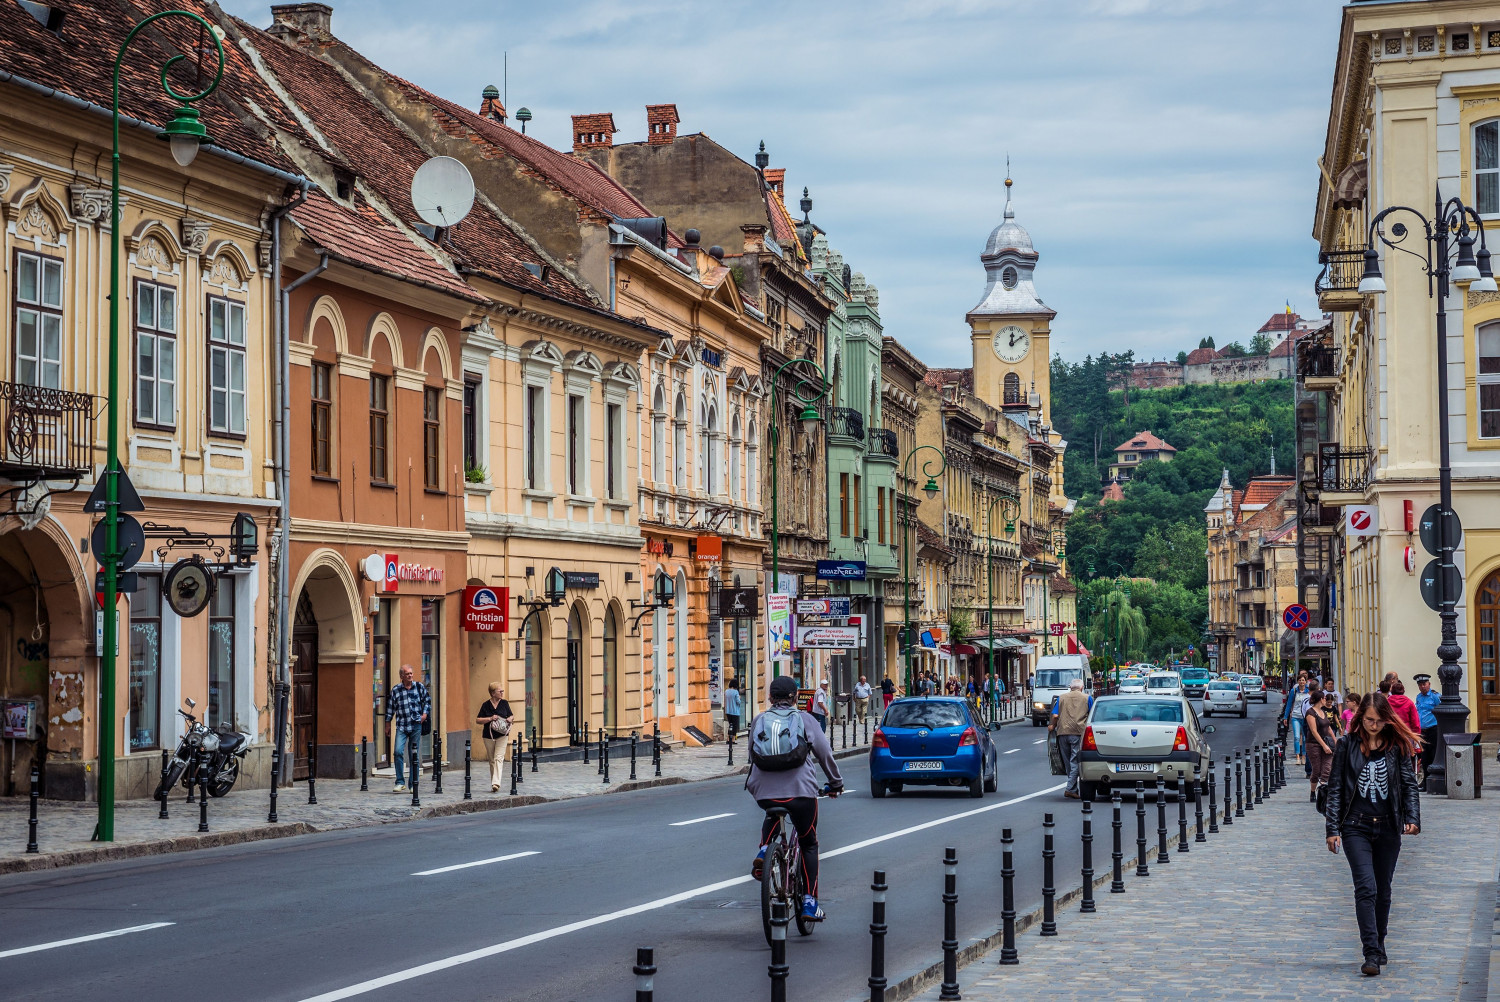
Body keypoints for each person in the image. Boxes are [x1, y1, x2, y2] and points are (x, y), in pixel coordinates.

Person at [1325, 691, 1421, 977]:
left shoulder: (1398, 746)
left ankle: (1379, 941)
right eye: (1368, 720)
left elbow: (1408, 785)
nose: (1373, 725)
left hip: (1389, 826)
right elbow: (1336, 789)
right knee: (1366, 887)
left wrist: (1413, 818)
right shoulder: (1347, 745)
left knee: (1383, 889)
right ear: (1360, 718)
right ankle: (1370, 952)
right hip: (1356, 825)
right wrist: (1332, 829)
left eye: (1379, 721)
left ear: (1387, 720)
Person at [747, 675, 844, 922]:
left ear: (770, 697)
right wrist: (835, 783)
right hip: (801, 793)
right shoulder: (805, 720)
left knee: (773, 811)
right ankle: (810, 903)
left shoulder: (759, 720)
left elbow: (752, 755)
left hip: (764, 793)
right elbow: (824, 753)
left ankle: (765, 849)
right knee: (809, 842)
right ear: (796, 697)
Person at [385, 663, 429, 793]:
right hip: (402, 725)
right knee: (398, 751)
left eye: (411, 673)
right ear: (401, 676)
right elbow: (390, 708)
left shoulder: (419, 687)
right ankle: (400, 782)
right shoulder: (396, 690)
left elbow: (427, 701)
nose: (410, 676)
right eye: (407, 674)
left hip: (416, 725)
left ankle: (412, 784)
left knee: (413, 754)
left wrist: (424, 715)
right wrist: (387, 724)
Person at [1048, 679, 1093, 800]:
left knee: (1068, 762)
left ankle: (1072, 789)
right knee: (1075, 762)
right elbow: (1092, 713)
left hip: (1062, 732)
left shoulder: (1061, 698)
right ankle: (1069, 789)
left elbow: (1055, 715)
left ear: (1070, 687)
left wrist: (1052, 725)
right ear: (1082, 688)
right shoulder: (1087, 698)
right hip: (1078, 732)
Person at [475, 682, 513, 793]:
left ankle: (496, 783)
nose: (502, 692)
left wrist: (510, 718)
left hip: (503, 735)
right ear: (493, 693)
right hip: (488, 736)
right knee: (492, 760)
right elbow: (478, 720)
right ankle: (494, 783)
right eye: (499, 691)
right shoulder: (486, 705)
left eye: (502, 691)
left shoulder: (505, 703)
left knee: (498, 758)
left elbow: (511, 715)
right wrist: (490, 718)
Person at [1305, 687, 1338, 801]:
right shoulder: (1310, 712)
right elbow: (1313, 731)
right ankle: (1313, 792)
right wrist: (1323, 745)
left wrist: (1334, 739)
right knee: (1317, 769)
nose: (1326, 699)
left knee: (1327, 768)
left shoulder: (1323, 711)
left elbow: (1328, 727)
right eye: (1324, 698)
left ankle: (1322, 793)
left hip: (1327, 742)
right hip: (1313, 744)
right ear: (1320, 699)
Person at [1412, 674, 1440, 783]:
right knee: (1424, 756)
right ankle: (1425, 781)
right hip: (1422, 731)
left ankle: (1434, 779)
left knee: (1433, 754)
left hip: (1433, 729)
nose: (1422, 687)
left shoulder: (1435, 696)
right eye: (1420, 685)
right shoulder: (1419, 697)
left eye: (1424, 684)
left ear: (1429, 684)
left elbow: (1441, 710)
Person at [1284, 674, 1311, 764]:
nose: (1301, 682)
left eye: (1303, 680)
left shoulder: (1308, 691)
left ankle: (1304, 756)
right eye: (1300, 680)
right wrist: (1285, 716)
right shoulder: (1294, 691)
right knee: (1296, 737)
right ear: (1297, 681)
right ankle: (1297, 756)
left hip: (1305, 717)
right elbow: (1289, 704)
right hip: (1295, 716)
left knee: (1304, 738)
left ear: (1306, 681)